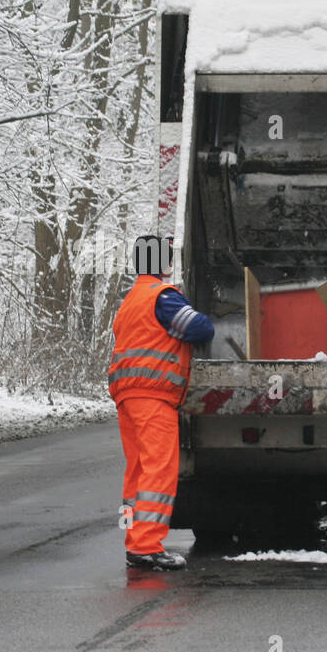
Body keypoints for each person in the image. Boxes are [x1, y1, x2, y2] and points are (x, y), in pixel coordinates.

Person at [108, 236, 214, 571]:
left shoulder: (130, 301)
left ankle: (134, 540)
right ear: (161, 264)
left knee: (137, 471)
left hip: (128, 396)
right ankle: (146, 547)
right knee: (159, 469)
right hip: (153, 395)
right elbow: (199, 327)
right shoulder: (163, 297)